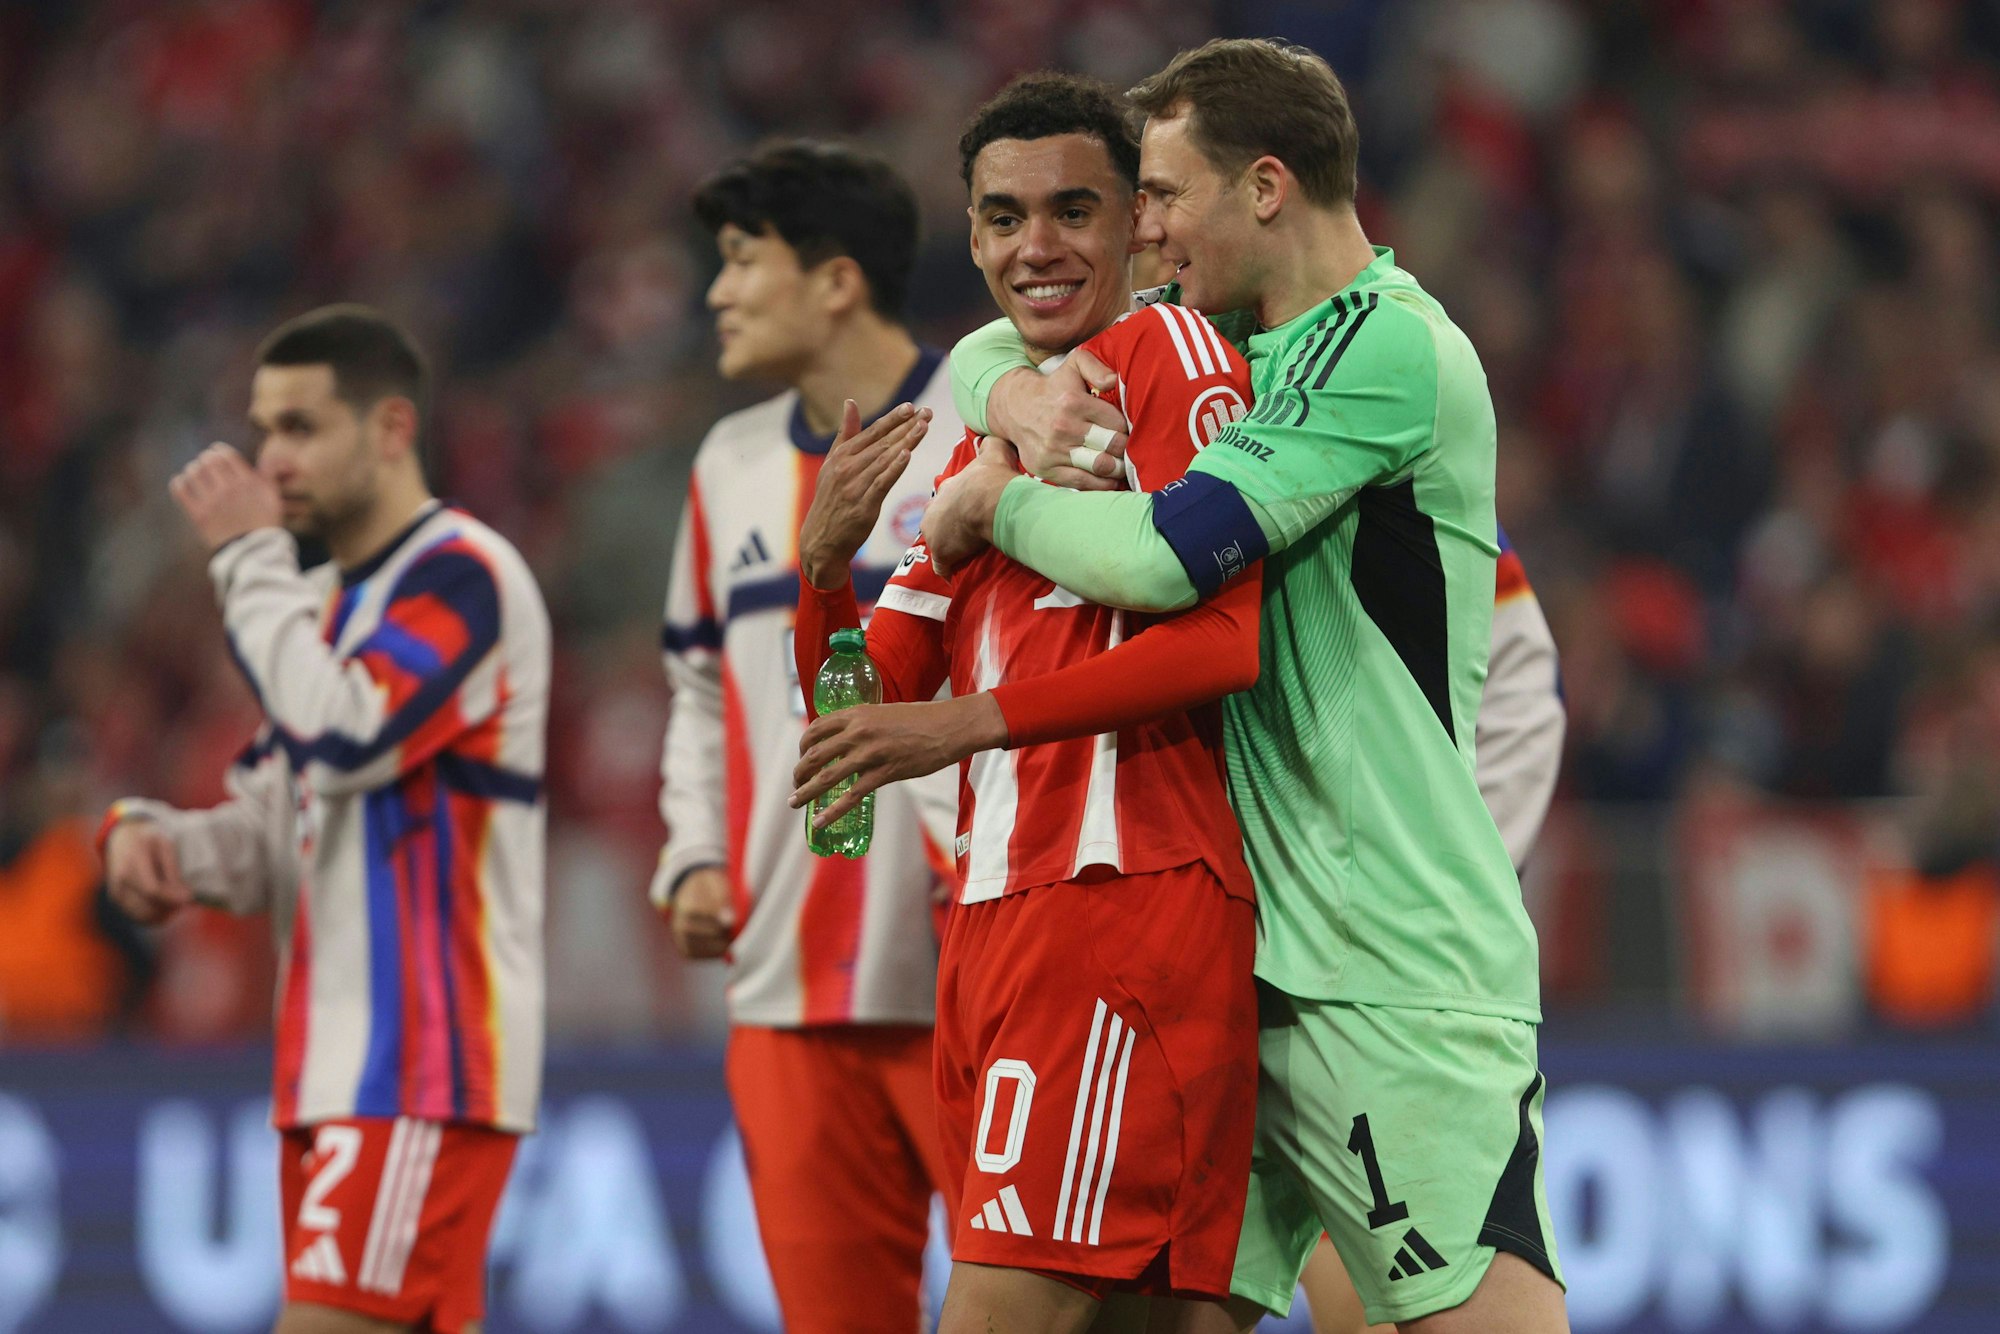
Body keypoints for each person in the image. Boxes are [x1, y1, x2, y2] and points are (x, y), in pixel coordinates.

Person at [915, 39, 1572, 1333]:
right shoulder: (1220, 340)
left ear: (1265, 188)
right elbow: (996, 334)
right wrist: (1019, 392)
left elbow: (1170, 560)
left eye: (1161, 195)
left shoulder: (1388, 350)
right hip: (1230, 963)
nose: (1143, 231)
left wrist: (1002, 494)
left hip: (1387, 965)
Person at [789, 74, 1263, 1332]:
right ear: (970, 233)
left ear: (1134, 223)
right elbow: (856, 722)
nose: (1036, 247)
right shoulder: (974, 441)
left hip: (1121, 906)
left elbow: (1225, 640)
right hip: (995, 923)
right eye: (1004, 217)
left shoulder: (1172, 358)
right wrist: (825, 572)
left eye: (1071, 210)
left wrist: (967, 724)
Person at [99, 305, 549, 1334]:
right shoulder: (333, 613)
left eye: (301, 427)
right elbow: (274, 819)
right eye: (264, 428)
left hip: (419, 1058)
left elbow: (348, 733)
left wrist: (248, 562)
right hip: (334, 1065)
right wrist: (149, 829)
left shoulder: (460, 573)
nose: (272, 459)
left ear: (391, 429)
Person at [651, 141, 961, 1333]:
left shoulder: (987, 418)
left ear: (835, 280)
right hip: (781, 985)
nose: (716, 292)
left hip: (963, 975)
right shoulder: (724, 462)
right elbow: (692, 687)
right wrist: (689, 852)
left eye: (740, 261)